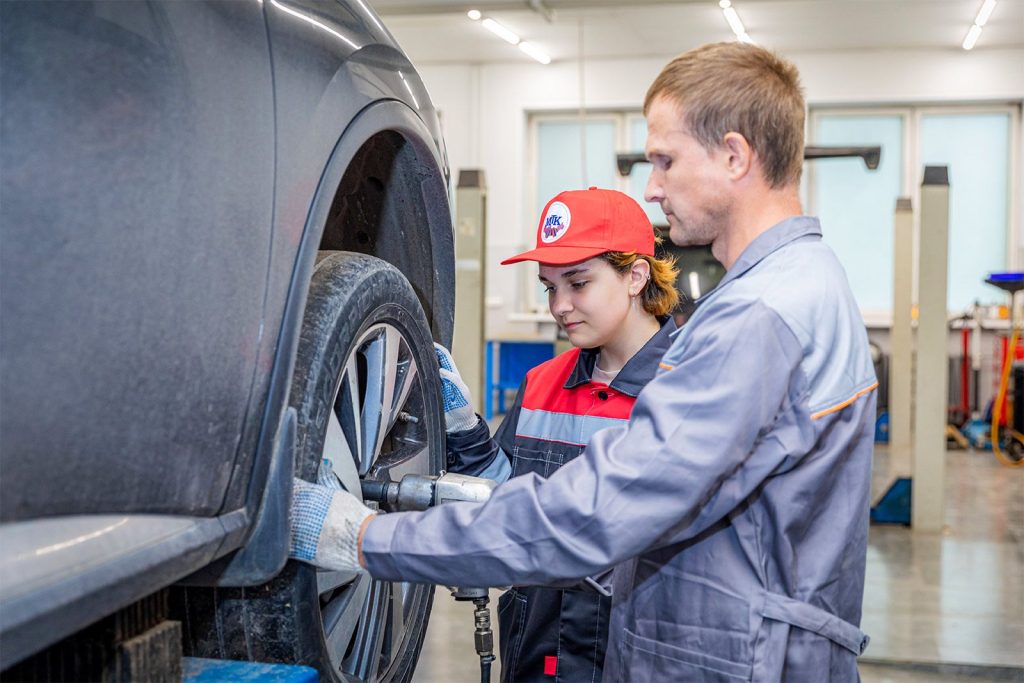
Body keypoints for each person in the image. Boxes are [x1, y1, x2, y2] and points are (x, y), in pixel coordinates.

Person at [290, 41, 877, 682]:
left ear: (734, 155)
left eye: (666, 160)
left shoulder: (759, 315)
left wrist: (368, 538)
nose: (653, 186)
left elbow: (601, 510)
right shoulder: (803, 284)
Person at [436, 187, 680, 681]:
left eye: (579, 283)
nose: (560, 306)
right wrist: (464, 432)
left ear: (635, 276)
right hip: (536, 656)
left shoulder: (690, 387)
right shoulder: (543, 384)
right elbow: (505, 499)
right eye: (550, 287)